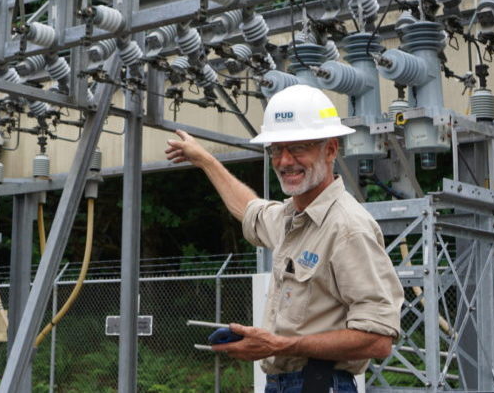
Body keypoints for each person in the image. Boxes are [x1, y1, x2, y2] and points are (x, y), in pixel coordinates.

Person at [164, 84, 403, 393]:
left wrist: (279, 345)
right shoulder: (292, 218)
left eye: (298, 147)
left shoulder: (347, 228)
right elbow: (249, 210)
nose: (285, 161)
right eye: (277, 149)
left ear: (330, 149)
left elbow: (378, 339)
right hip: (285, 384)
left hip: (319, 384)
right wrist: (205, 160)